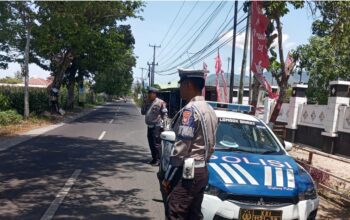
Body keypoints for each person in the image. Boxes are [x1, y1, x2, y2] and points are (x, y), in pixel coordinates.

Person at [162, 69, 218, 220]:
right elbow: (212, 144)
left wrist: (168, 175)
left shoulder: (190, 111)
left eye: (181, 84)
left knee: (175, 211)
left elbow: (181, 148)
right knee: (193, 214)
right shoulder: (210, 109)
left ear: (189, 85)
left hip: (188, 172)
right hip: (202, 170)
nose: (179, 88)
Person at [141, 87, 168, 166]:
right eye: (149, 93)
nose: (149, 95)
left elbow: (165, 115)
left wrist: (164, 126)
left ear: (155, 94)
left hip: (157, 126)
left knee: (156, 144)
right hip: (149, 126)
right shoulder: (147, 102)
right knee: (151, 143)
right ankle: (154, 158)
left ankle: (159, 160)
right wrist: (144, 103)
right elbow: (143, 112)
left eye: (151, 93)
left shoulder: (161, 102)